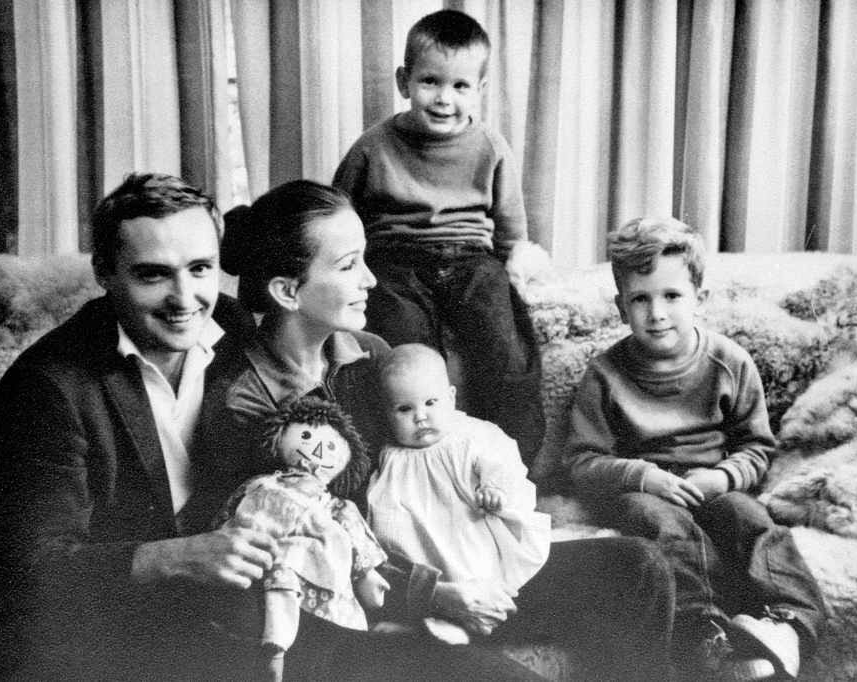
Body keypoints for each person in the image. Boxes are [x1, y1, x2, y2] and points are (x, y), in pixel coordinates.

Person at [192, 178, 676, 682]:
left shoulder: (372, 355)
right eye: (348, 265)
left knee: (636, 569)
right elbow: (302, 553)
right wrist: (434, 595)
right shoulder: (243, 402)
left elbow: (444, 450)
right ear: (288, 291)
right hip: (355, 612)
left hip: (453, 564)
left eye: (365, 259)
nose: (371, 281)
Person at [0, 173, 277, 682]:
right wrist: (176, 557)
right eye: (153, 275)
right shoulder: (45, 387)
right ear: (104, 272)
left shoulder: (241, 331)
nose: (185, 299)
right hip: (114, 636)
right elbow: (27, 573)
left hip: (236, 611)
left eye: (200, 269)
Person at [564, 217, 826, 682]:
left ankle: (790, 626)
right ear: (622, 308)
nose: (657, 312)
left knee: (750, 519)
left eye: (671, 296)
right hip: (648, 491)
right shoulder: (604, 374)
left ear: (699, 300)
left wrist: (722, 477)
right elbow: (582, 461)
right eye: (640, 299)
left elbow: (757, 447)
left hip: (713, 484)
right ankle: (708, 639)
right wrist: (644, 477)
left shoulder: (730, 362)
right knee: (659, 522)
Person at [331, 9, 546, 465]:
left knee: (505, 349)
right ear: (404, 81)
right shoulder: (373, 147)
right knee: (404, 351)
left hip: (472, 258)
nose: (444, 98)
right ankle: (403, 461)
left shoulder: (489, 146)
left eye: (461, 86)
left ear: (480, 90)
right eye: (431, 81)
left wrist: (514, 267)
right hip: (395, 257)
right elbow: (338, 215)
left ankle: (511, 459)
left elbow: (509, 222)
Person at [220, 396, 389, 682]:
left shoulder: (333, 503)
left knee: (285, 574)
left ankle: (276, 646)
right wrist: (221, 532)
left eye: (332, 445)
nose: (319, 448)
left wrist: (366, 572)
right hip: (256, 546)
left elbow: (352, 527)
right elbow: (232, 507)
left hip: (306, 556)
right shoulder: (264, 482)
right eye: (306, 435)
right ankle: (274, 649)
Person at [367, 343, 550, 601]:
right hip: (419, 540)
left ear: (451, 397)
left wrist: (496, 490)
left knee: (476, 558)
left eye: (431, 402)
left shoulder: (471, 435)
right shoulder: (392, 456)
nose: (420, 416)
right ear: (387, 413)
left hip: (468, 526)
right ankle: (440, 611)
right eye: (404, 409)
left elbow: (504, 462)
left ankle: (486, 600)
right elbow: (382, 506)